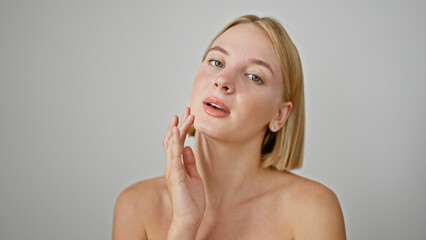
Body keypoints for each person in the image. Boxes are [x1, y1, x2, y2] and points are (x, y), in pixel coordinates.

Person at [112, 15, 346, 240]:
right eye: (216, 62)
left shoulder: (313, 210)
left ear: (279, 115)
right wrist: (184, 225)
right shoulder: (135, 206)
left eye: (254, 76)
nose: (223, 79)